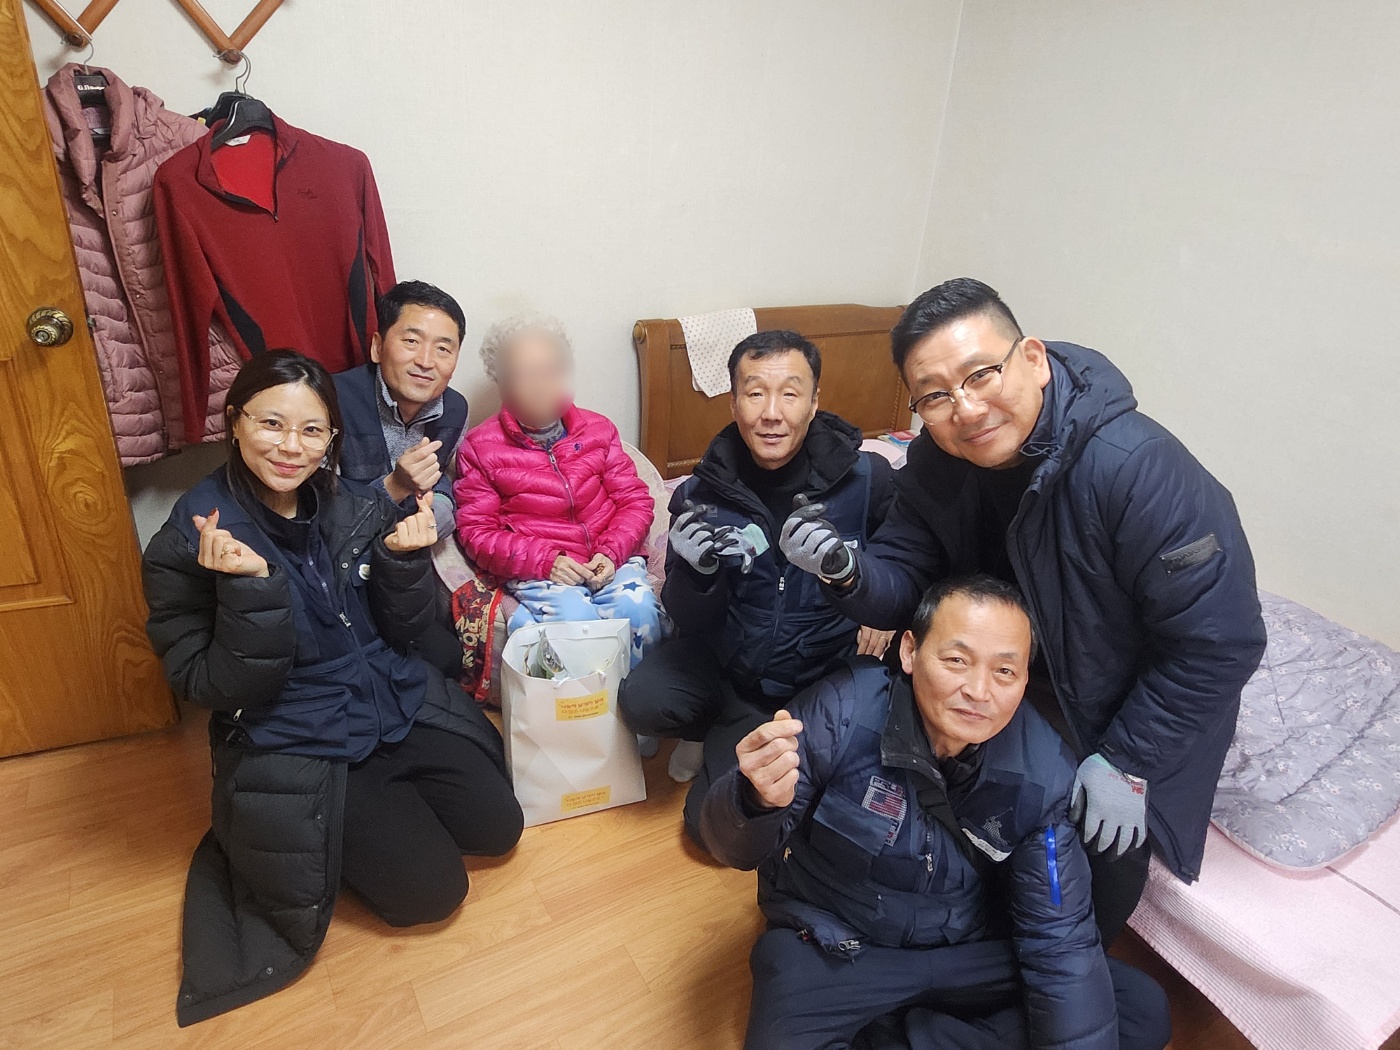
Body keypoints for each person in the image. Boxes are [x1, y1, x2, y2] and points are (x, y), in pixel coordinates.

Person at [779, 277, 1267, 943]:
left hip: (1112, 711)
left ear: (1032, 359)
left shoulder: (1139, 470)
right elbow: (904, 576)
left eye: (981, 374)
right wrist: (848, 572)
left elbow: (1221, 641)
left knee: (1092, 879)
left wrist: (1127, 759)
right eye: (935, 395)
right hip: (1006, 671)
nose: (966, 408)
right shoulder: (938, 462)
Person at [143, 351, 523, 1026]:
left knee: (500, 829)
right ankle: (347, 826)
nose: (292, 446)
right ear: (234, 423)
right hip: (297, 734)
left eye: (312, 430)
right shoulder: (195, 535)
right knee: (432, 895)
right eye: (271, 423)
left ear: (330, 440)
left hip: (387, 699)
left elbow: (403, 632)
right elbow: (210, 684)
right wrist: (249, 593)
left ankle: (380, 815)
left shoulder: (350, 503)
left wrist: (402, 563)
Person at [701, 576, 1171, 1050]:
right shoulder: (843, 710)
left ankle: (901, 1034)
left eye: (1004, 671)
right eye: (957, 661)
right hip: (837, 947)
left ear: (1025, 680)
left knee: (1137, 1009)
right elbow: (735, 849)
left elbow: (1059, 936)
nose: (979, 691)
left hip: (959, 951)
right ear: (909, 652)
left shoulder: (1043, 772)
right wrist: (752, 801)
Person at [619, 329, 895, 844]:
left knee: (738, 826)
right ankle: (712, 730)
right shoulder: (702, 493)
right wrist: (697, 576)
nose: (771, 413)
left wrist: (879, 604)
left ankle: (770, 745)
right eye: (754, 393)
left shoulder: (868, 480)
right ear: (733, 403)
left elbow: (903, 563)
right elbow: (686, 615)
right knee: (645, 704)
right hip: (733, 669)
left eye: (789, 393)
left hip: (822, 674)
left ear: (814, 402)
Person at [452, 313, 664, 670]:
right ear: (500, 382)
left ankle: (641, 699)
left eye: (552, 370)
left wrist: (611, 552)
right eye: (524, 373)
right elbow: (477, 532)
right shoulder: (479, 448)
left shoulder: (598, 429)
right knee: (575, 622)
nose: (541, 384)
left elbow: (635, 502)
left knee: (639, 609)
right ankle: (591, 704)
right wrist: (546, 561)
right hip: (539, 568)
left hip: (609, 557)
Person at [335, 280, 469, 674]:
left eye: (443, 348)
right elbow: (317, 515)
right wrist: (395, 486)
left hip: (401, 572)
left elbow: (445, 481)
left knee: (449, 659)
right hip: (339, 574)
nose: (426, 361)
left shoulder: (454, 409)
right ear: (378, 347)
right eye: (411, 341)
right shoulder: (332, 400)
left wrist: (437, 510)